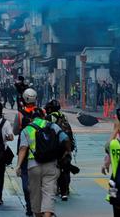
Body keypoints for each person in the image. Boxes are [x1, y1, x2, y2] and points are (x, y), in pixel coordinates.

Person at [15, 110, 70, 217]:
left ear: (31, 118)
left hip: (33, 166)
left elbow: (23, 149)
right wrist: (67, 151)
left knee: (35, 195)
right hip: (51, 164)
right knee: (49, 194)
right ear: (43, 117)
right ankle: (48, 214)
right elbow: (66, 138)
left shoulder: (27, 130)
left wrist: (18, 166)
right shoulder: (53, 126)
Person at [13, 88, 45, 216]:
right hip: (43, 150)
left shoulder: (20, 115)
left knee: (26, 181)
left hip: (25, 152)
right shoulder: (42, 112)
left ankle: (29, 207)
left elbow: (15, 131)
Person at [45, 99, 76, 201]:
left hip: (56, 146)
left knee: (55, 168)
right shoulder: (63, 116)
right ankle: (65, 189)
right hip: (67, 145)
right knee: (66, 168)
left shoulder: (49, 117)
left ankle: (57, 189)